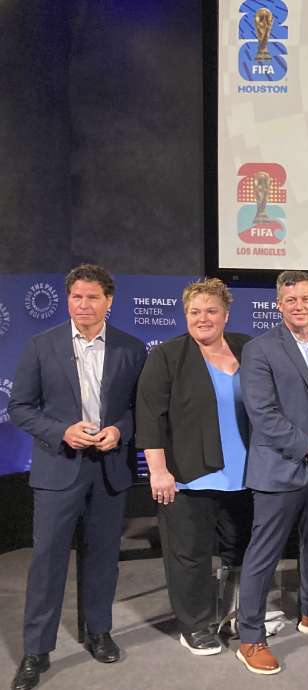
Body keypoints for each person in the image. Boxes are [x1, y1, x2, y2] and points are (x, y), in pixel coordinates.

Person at [7, 264, 146, 690]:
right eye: (76, 297)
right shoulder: (41, 345)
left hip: (109, 470)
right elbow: (20, 408)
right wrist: (61, 431)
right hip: (57, 469)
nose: (83, 305)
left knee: (102, 557)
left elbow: (139, 409)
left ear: (109, 301)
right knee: (47, 561)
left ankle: (98, 632)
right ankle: (36, 650)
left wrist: (119, 430)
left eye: (92, 297)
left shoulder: (132, 348)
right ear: (68, 300)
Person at [234, 271, 308, 675]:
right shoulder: (260, 349)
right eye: (290, 300)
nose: (298, 306)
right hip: (278, 467)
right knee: (264, 554)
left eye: (305, 299)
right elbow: (262, 413)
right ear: (279, 305)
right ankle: (250, 638)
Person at [135, 278, 253, 657]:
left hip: (245, 477)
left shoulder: (247, 349)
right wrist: (158, 471)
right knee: (190, 556)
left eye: (211, 310)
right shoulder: (167, 356)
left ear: (226, 314)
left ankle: (235, 614)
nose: (203, 318)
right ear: (185, 314)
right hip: (188, 478)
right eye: (195, 311)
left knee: (240, 551)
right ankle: (195, 626)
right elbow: (150, 417)